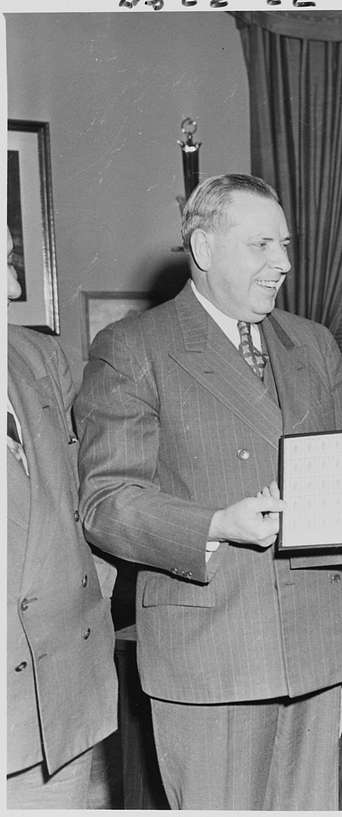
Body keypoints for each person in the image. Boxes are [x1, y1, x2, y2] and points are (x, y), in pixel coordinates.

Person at [74, 174, 342, 810]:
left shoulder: (315, 344)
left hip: (316, 649)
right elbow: (106, 503)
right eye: (262, 245)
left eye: (287, 245)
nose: (285, 264)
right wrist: (215, 523)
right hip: (211, 654)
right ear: (205, 249)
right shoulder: (135, 348)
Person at [6, 225, 119, 808]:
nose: (12, 284)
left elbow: (84, 484)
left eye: (11, 261)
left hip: (67, 693)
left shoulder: (36, 355)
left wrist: (95, 584)